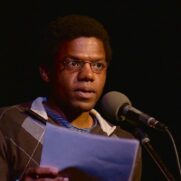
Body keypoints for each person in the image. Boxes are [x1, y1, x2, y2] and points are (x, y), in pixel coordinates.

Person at [0, 14, 142, 181]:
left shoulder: (123, 143)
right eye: (74, 63)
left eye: (98, 65)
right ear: (46, 72)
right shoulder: (8, 123)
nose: (88, 75)